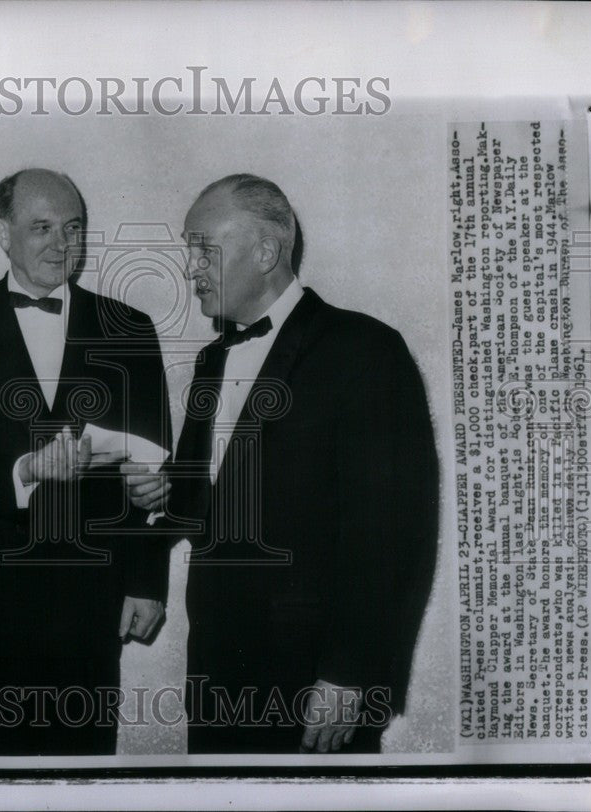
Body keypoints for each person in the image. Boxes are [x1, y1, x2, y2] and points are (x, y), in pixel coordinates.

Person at [125, 173, 438, 753]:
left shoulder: (365, 351)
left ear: (266, 250)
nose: (189, 267)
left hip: (317, 682)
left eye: (201, 247)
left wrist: (352, 671)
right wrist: (165, 501)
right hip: (218, 676)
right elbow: (205, 494)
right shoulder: (211, 361)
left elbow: (394, 532)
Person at [0, 168, 172, 755]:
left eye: (74, 227)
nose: (61, 244)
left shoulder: (130, 329)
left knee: (84, 767)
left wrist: (148, 583)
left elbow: (152, 470)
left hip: (95, 595)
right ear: (2, 232)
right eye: (40, 227)